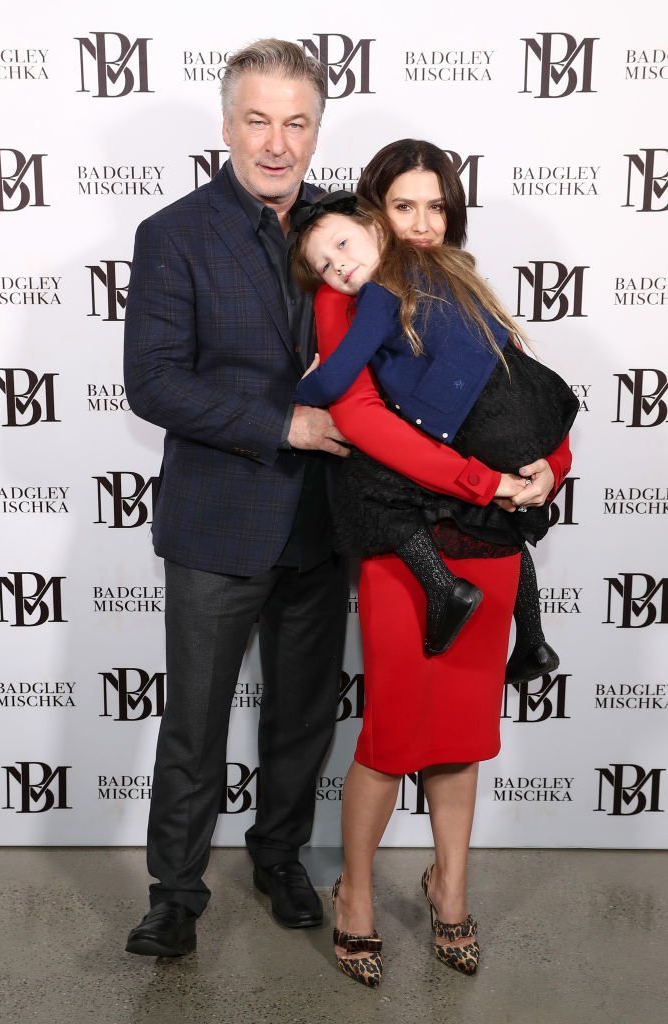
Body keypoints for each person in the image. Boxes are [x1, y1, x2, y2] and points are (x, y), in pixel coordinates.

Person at [287, 140, 572, 986]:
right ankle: (356, 895)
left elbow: (523, 400)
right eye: (402, 206)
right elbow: (363, 421)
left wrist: (547, 469)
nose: (418, 224)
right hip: (402, 537)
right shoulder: (352, 293)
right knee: (392, 728)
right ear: (373, 209)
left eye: (434, 208)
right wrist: (477, 477)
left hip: (483, 536)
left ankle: (449, 889)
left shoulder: (465, 288)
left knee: (463, 731)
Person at [122, 39, 351, 958]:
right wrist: (284, 426)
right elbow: (154, 384)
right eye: (257, 120)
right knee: (196, 721)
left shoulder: (347, 228)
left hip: (325, 523)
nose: (275, 142)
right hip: (219, 521)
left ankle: (280, 854)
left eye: (295, 122)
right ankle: (175, 893)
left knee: (301, 715)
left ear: (314, 130)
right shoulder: (175, 234)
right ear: (226, 126)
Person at [291, 192, 578, 672]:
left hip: (479, 418)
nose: (338, 266)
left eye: (342, 245)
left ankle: (444, 588)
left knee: (365, 480)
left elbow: (337, 377)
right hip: (528, 409)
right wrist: (548, 459)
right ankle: (533, 637)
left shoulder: (381, 292)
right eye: (324, 265)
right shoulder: (448, 271)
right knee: (504, 521)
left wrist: (305, 387)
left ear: (377, 230)